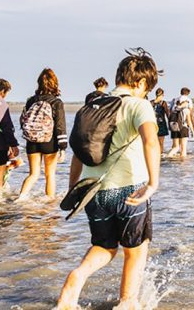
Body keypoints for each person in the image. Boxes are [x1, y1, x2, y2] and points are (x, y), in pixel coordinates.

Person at [57, 49, 162, 309]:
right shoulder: (139, 104)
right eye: (146, 88)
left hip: (94, 192)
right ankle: (127, 302)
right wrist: (153, 183)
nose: (146, 93)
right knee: (135, 250)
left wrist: (73, 187)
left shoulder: (92, 106)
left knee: (104, 246)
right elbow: (151, 141)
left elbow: (79, 152)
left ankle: (78, 276)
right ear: (139, 83)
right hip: (130, 192)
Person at [18, 68, 68, 199]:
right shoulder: (56, 102)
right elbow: (60, 126)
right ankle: (49, 204)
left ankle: (21, 198)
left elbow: (23, 121)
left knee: (33, 174)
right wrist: (63, 148)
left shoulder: (31, 101)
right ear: (54, 83)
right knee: (49, 175)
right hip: (49, 142)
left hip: (32, 142)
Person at [166, 87, 194, 158]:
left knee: (175, 147)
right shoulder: (186, 107)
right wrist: (192, 130)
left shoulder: (174, 101)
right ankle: (183, 166)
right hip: (183, 127)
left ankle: (167, 157)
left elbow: (169, 111)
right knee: (183, 149)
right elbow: (189, 119)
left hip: (174, 126)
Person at [152, 88, 169, 153]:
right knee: (161, 143)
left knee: (154, 142)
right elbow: (167, 113)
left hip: (152, 124)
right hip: (161, 124)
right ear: (161, 95)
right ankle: (161, 157)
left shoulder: (151, 102)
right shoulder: (163, 103)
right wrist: (170, 123)